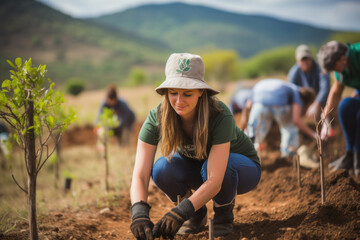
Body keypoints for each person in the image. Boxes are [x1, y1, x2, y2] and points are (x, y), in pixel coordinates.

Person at [129, 53, 261, 239]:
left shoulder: (220, 115)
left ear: (201, 92)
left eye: (187, 94)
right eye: (173, 93)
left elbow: (215, 180)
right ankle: (196, 216)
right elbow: (140, 174)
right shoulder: (156, 117)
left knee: (217, 167)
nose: (179, 101)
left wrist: (181, 211)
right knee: (162, 168)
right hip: (201, 169)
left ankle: (223, 218)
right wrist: (139, 212)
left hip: (241, 170)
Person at [317, 41, 360, 176]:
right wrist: (325, 118)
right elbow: (336, 92)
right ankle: (350, 154)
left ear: (343, 59)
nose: (335, 72)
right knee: (345, 105)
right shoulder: (341, 68)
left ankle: (358, 155)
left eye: (335, 68)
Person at [247, 79, 317, 160]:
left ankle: (245, 154)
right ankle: (288, 154)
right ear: (307, 102)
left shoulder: (261, 85)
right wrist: (313, 135)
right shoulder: (297, 93)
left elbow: (248, 105)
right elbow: (296, 120)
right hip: (279, 105)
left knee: (254, 135)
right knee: (289, 127)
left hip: (259, 104)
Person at [288, 44, 330, 120]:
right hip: (302, 102)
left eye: (307, 59)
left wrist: (316, 104)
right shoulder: (293, 72)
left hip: (321, 101)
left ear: (311, 58)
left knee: (326, 114)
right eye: (302, 60)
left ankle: (327, 124)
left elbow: (325, 88)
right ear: (297, 61)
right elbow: (292, 91)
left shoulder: (321, 69)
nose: (305, 62)